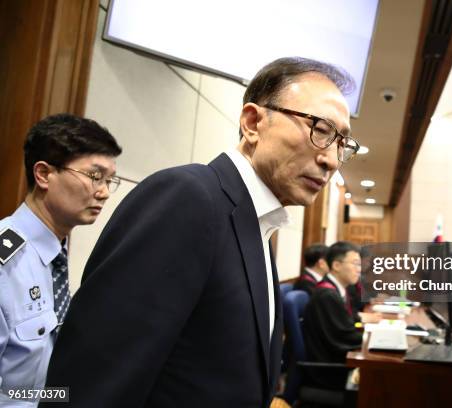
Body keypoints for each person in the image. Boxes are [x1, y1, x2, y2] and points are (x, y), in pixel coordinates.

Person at [43, 57, 360, 407]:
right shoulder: (188, 198)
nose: (331, 159)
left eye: (341, 143)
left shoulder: (256, 224)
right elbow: (93, 381)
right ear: (253, 122)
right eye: (320, 129)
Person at [0, 113, 122, 405]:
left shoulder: (55, 254)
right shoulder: (6, 262)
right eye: (94, 176)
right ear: (43, 174)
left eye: (109, 180)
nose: (104, 192)